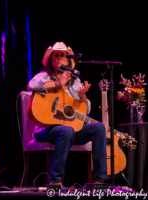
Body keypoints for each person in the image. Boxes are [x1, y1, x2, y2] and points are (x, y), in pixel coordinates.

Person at [27, 42, 107, 186]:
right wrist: (59, 83)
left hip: (71, 128)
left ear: (69, 60)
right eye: (55, 55)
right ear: (50, 60)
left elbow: (84, 113)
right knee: (67, 130)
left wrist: (82, 97)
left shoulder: (75, 82)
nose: (58, 58)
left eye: (62, 55)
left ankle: (99, 180)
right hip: (47, 129)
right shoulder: (43, 76)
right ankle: (55, 181)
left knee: (99, 127)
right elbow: (31, 86)